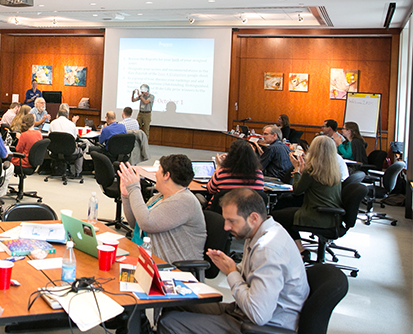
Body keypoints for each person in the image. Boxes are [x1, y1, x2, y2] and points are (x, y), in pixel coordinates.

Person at [158, 188, 309, 333]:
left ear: (253, 218)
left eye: (232, 221)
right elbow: (252, 281)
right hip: (242, 312)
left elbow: (258, 314)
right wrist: (232, 268)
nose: (226, 227)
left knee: (170, 323)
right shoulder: (257, 233)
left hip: (262, 326)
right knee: (175, 304)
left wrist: (232, 273)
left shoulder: (268, 250)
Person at [117, 156, 206, 264]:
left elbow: (146, 223)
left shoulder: (184, 201)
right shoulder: (160, 196)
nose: (155, 174)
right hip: (146, 257)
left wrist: (134, 188)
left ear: (166, 175)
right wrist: (126, 196)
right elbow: (136, 223)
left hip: (171, 268)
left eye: (158, 170)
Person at [272, 136, 342, 259]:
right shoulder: (335, 170)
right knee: (285, 204)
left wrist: (297, 170)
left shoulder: (313, 170)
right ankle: (298, 248)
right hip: (331, 216)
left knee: (276, 216)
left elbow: (298, 190)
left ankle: (300, 249)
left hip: (315, 214)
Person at [207, 140, 265, 209]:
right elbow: (258, 195)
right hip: (248, 212)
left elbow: (210, 190)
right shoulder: (258, 174)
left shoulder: (222, 172)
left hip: (222, 211)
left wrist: (219, 166)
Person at [48, 107, 84, 177]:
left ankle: (55, 170)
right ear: (67, 116)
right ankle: (78, 173)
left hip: (54, 151)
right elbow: (74, 138)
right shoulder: (71, 124)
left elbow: (49, 135)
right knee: (80, 151)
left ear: (58, 115)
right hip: (69, 151)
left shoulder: (52, 123)